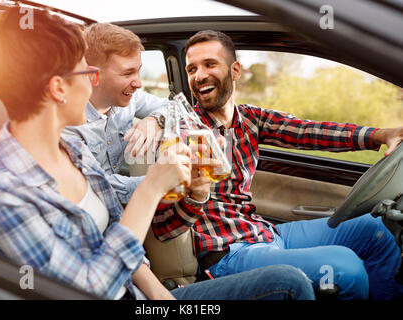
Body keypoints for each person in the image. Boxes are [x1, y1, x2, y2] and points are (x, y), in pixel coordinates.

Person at [0, 7, 315, 301]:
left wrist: (160, 296)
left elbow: (116, 222)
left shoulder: (68, 149)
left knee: (289, 282)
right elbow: (90, 289)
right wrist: (151, 187)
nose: (92, 82)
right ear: (58, 88)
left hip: (142, 295)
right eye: (86, 72)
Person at [151, 30, 403, 300]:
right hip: (229, 253)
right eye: (191, 69)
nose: (199, 75)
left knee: (376, 230)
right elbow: (165, 226)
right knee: (346, 268)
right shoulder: (185, 132)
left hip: (264, 232)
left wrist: (379, 135)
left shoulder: (250, 118)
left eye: (210, 64)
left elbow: (308, 131)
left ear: (235, 71)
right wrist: (155, 121)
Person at [62, 23, 168, 205]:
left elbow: (172, 107)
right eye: (128, 73)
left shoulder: (129, 99)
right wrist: (163, 182)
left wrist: (155, 120)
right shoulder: (69, 126)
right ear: (92, 76)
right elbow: (100, 186)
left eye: (138, 70)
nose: (138, 83)